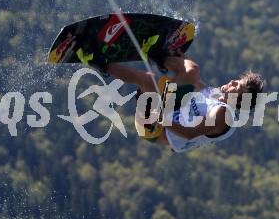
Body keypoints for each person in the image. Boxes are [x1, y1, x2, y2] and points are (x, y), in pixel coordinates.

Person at [102, 54, 265, 152]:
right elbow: (194, 81)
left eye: (237, 86)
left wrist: (160, 117)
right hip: (170, 110)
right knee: (191, 71)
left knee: (146, 79)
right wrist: (181, 59)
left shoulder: (224, 114)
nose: (232, 82)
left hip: (157, 130)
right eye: (237, 80)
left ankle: (100, 62)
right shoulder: (218, 96)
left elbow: (189, 134)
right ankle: (161, 55)